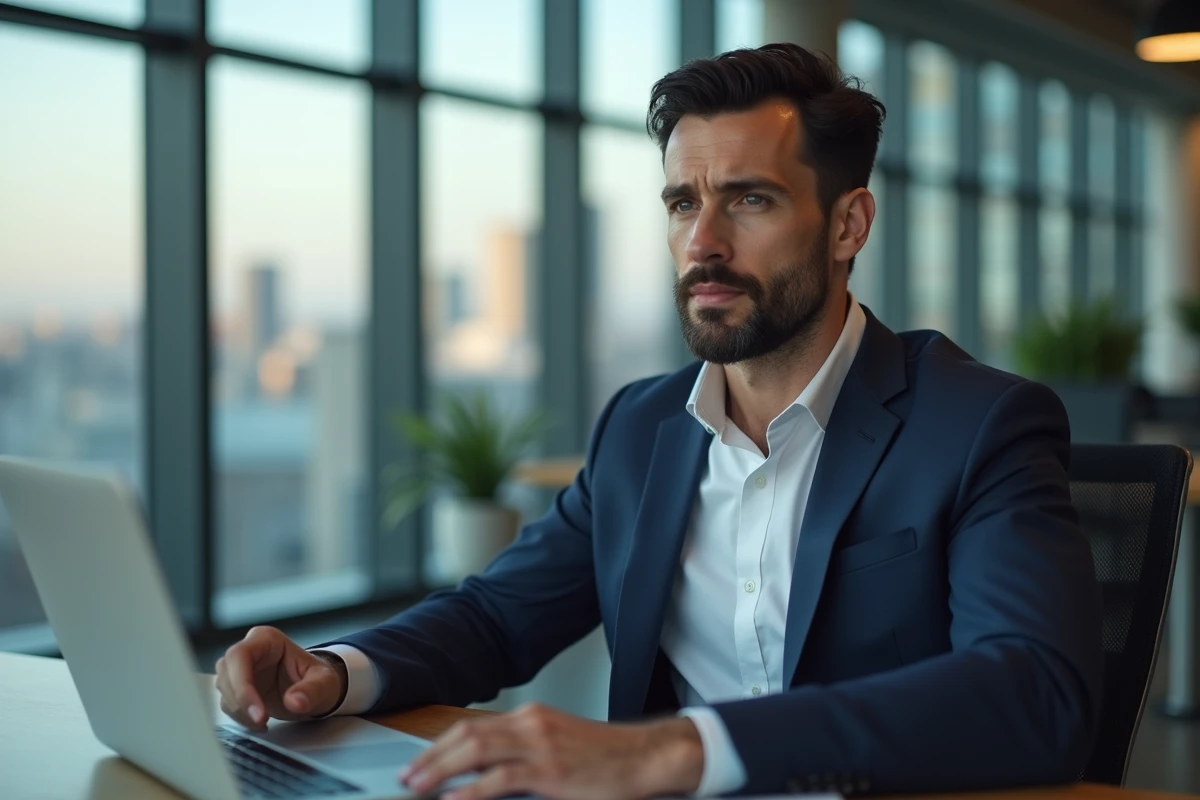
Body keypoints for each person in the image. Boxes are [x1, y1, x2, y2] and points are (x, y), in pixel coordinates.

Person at [216, 43, 1102, 799]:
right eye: (684, 202)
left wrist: (681, 749)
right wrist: (333, 672)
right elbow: (496, 618)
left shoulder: (978, 422)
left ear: (848, 225)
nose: (702, 243)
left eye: (749, 200)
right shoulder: (642, 428)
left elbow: (1034, 690)